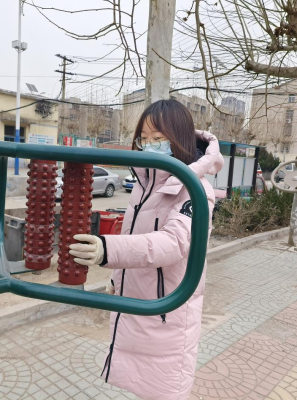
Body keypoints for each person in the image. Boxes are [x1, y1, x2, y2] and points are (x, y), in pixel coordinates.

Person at [69, 99, 224, 400]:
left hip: (166, 310)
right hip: (136, 299)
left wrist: (107, 250)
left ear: (178, 139)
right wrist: (116, 278)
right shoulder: (144, 184)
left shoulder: (195, 188)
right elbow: (133, 232)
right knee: (140, 383)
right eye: (146, 139)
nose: (151, 146)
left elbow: (175, 243)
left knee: (165, 386)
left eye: (160, 139)